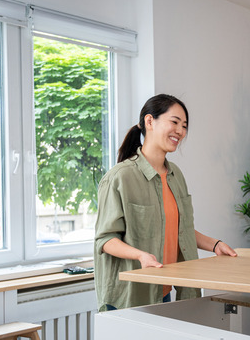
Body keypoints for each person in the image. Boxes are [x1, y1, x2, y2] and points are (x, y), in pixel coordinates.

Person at [94, 94, 237, 312]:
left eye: (184, 125)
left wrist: (215, 245)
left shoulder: (175, 175)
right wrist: (140, 255)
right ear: (149, 121)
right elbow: (105, 239)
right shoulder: (120, 177)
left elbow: (179, 229)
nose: (180, 131)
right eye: (174, 122)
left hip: (163, 291)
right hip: (128, 297)